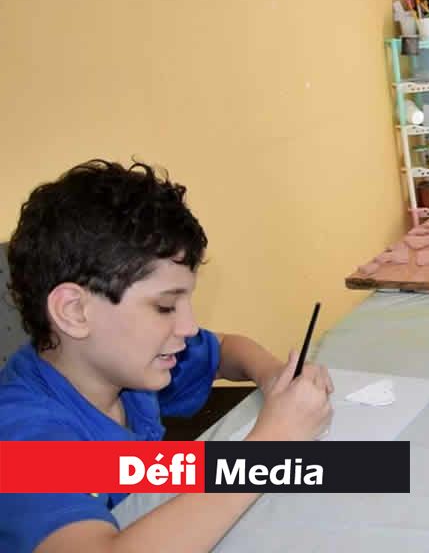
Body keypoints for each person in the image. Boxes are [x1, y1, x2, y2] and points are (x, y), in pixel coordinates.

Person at [0, 160, 335, 553]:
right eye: (165, 307)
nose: (189, 327)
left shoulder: (124, 369)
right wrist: (270, 446)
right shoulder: (21, 434)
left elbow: (229, 349)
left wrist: (274, 375)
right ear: (75, 311)